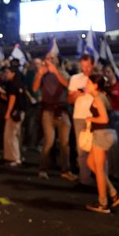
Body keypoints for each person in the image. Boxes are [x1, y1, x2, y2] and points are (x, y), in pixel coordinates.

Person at [85, 73, 119, 213]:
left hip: (102, 134)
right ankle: (113, 193)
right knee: (91, 163)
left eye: (89, 83)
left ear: (95, 85)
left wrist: (90, 119)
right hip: (107, 134)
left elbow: (104, 119)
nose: (86, 85)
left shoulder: (97, 98)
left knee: (100, 170)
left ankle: (103, 203)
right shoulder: (103, 96)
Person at [33, 53, 76, 181]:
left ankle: (65, 169)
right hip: (48, 110)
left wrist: (55, 72)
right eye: (47, 58)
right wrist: (40, 74)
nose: (49, 60)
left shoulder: (63, 73)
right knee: (49, 141)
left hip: (61, 111)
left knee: (65, 143)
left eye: (52, 58)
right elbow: (35, 89)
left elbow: (66, 84)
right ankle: (43, 169)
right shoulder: (42, 74)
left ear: (57, 61)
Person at [67, 53, 97, 186]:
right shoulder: (75, 78)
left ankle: (99, 176)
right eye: (83, 66)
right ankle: (84, 178)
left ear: (93, 65)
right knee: (81, 149)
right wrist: (76, 95)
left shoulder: (98, 79)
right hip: (79, 116)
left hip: (95, 118)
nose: (85, 69)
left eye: (88, 66)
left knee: (96, 149)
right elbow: (69, 99)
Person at [1, 65, 26, 167]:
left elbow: (12, 99)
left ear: (13, 73)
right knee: (16, 135)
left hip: (14, 112)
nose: (6, 74)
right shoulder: (20, 84)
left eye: (8, 72)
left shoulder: (12, 84)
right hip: (21, 112)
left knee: (11, 136)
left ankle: (15, 158)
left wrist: (8, 112)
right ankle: (14, 156)